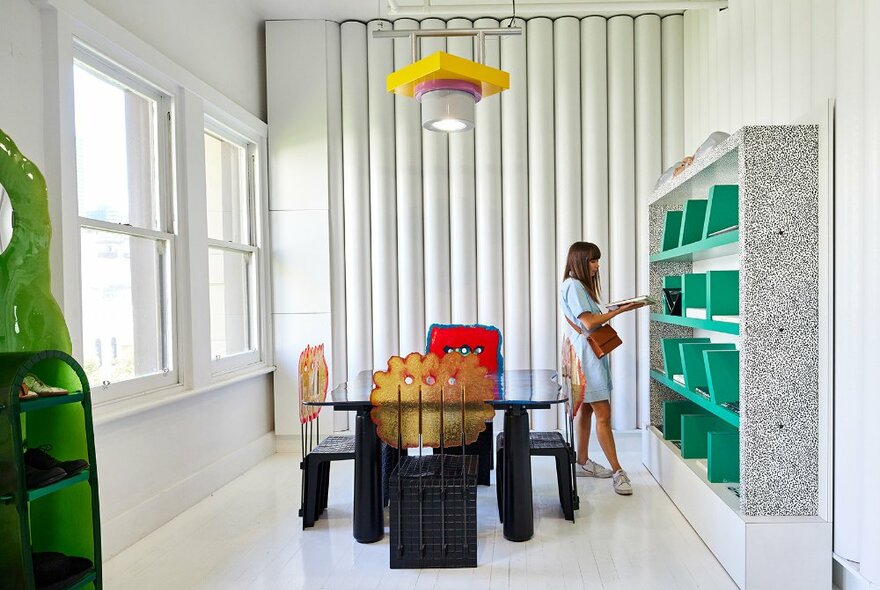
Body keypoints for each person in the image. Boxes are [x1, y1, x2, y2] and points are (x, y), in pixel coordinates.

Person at [559, 241, 644, 496]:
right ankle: (618, 471)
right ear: (580, 262)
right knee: (604, 415)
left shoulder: (576, 286)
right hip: (586, 358)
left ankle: (582, 462)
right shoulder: (573, 286)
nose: (597, 266)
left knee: (586, 411)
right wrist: (619, 311)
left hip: (585, 356)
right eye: (593, 261)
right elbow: (587, 322)